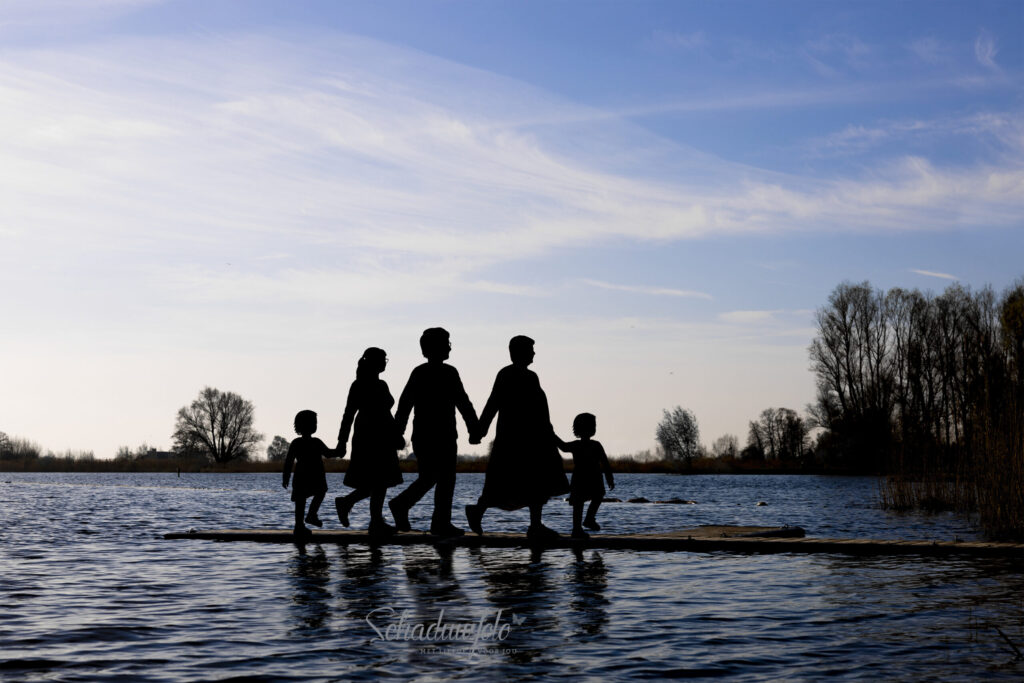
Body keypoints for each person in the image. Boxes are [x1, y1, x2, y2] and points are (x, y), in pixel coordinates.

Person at [466, 335, 569, 540]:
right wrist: (480, 430)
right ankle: (477, 511)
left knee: (537, 483)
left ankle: (535, 526)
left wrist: (551, 437)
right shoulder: (506, 375)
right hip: (512, 440)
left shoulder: (532, 377)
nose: (533, 353)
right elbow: (493, 402)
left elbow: (540, 410)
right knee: (501, 482)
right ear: (518, 352)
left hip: (534, 439)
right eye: (530, 349)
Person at [390, 328, 478, 537]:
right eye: (446, 343)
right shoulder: (442, 373)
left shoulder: (432, 373)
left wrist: (474, 428)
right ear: (435, 348)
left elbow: (462, 402)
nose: (449, 347)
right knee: (436, 477)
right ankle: (404, 505)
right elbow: (463, 403)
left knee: (441, 478)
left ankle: (438, 521)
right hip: (434, 436)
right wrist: (474, 428)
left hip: (437, 435)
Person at [334, 347, 405, 536]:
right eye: (383, 360)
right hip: (369, 435)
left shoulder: (381, 385)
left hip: (381, 434)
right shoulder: (359, 385)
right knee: (378, 481)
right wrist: (342, 441)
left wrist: (396, 434)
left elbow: (386, 413)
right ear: (374, 362)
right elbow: (348, 414)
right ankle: (371, 519)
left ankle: (356, 508)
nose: (384, 363)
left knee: (379, 481)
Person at [557, 413, 615, 539]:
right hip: (588, 478)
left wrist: (610, 478)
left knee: (588, 500)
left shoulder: (582, 445)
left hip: (584, 478)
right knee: (587, 500)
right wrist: (609, 478)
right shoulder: (594, 445)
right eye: (593, 426)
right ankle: (582, 525)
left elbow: (563, 446)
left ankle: (584, 523)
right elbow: (605, 463)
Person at [282, 410, 335, 537]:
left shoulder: (297, 443)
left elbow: (288, 462)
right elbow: (328, 453)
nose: (316, 425)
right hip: (314, 476)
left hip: (301, 476)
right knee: (319, 493)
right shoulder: (315, 442)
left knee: (301, 501)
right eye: (314, 423)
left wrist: (286, 477)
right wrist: (339, 451)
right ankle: (309, 517)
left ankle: (301, 524)